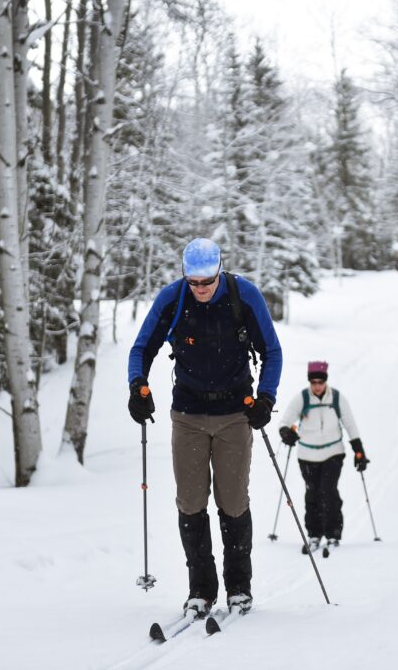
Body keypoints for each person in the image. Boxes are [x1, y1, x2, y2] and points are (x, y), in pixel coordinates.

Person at [127, 238, 283, 618]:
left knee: (232, 501)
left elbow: (272, 351)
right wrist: (137, 386)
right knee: (191, 502)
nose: (200, 289)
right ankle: (201, 589)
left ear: (218, 271)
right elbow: (141, 349)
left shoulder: (243, 295)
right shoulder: (173, 298)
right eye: (193, 282)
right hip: (188, 415)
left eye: (206, 282)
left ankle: (239, 588)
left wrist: (266, 398)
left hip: (235, 414)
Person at [278, 361, 368, 555]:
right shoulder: (302, 398)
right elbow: (285, 421)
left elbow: (350, 424)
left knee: (328, 491)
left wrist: (358, 450)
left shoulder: (336, 398)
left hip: (333, 453)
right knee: (312, 493)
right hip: (307, 455)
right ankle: (314, 534)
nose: (317, 385)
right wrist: (286, 433)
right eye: (314, 382)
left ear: (325, 381)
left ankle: (333, 533)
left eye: (320, 381)